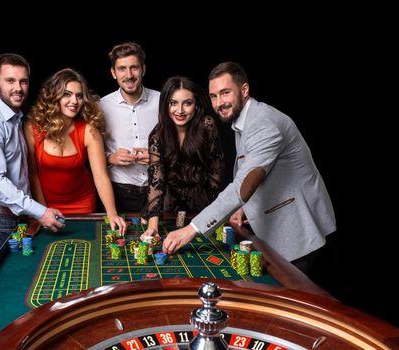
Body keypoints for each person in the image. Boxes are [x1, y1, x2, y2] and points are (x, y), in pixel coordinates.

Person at [162, 62, 336, 275]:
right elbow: (256, 170)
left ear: (244, 90)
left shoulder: (263, 125)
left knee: (289, 303)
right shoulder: (245, 120)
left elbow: (242, 187)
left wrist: (192, 229)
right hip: (280, 224)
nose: (219, 103)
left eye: (225, 93)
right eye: (214, 96)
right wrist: (242, 207)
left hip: (297, 229)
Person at [0, 53, 65, 271]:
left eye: (23, 81)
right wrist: (39, 211)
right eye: (10, 81)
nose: (18, 88)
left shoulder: (15, 118)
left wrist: (30, 213)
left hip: (12, 217)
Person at [24, 68, 127, 233]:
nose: (74, 101)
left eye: (79, 96)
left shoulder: (88, 130)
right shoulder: (32, 128)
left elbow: (100, 176)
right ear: (54, 96)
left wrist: (112, 213)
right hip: (46, 205)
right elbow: (32, 174)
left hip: (82, 203)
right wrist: (42, 211)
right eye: (67, 94)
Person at [141, 76, 222, 238]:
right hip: (168, 206)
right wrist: (153, 226)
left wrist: (214, 213)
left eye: (187, 103)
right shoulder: (157, 135)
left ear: (196, 105)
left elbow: (215, 173)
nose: (180, 110)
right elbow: (156, 181)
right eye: (173, 103)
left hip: (202, 204)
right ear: (166, 105)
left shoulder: (207, 126)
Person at [99, 42, 160, 213]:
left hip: (159, 190)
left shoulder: (162, 101)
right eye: (122, 69)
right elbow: (88, 154)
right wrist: (110, 158)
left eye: (134, 68)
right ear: (113, 73)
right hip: (119, 192)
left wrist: (157, 156)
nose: (129, 75)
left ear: (143, 70)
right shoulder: (101, 106)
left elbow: (179, 145)